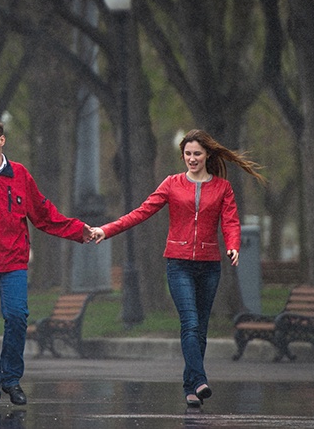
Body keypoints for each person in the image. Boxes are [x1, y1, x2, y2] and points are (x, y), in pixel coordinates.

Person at [91, 129, 265, 408]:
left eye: (197, 153)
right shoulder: (172, 184)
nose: (192, 159)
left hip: (209, 265)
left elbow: (231, 221)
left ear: (207, 154)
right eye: (187, 154)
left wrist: (233, 245)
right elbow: (141, 212)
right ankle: (199, 380)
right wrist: (106, 229)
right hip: (178, 263)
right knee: (190, 323)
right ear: (182, 155)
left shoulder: (222, 188)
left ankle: (191, 387)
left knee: (201, 329)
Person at [0, 115, 95, 409]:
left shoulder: (20, 175)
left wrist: (78, 231)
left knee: (17, 317)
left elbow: (44, 214)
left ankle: (11, 378)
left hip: (14, 263)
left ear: (2, 140)